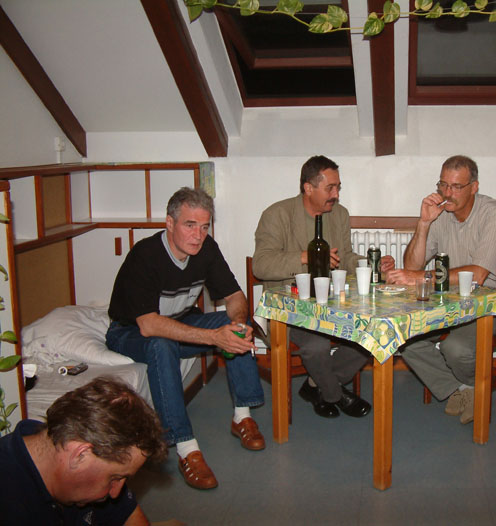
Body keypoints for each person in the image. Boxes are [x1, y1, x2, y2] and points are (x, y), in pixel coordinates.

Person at [106, 187, 265, 490]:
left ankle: (241, 416)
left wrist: (236, 324)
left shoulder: (206, 249)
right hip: (129, 331)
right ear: (169, 223)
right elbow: (149, 325)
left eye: (204, 227)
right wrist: (213, 337)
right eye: (190, 225)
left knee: (235, 324)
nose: (198, 235)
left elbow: (234, 295)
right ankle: (185, 447)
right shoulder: (145, 256)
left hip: (181, 320)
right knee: (161, 343)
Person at [253, 155, 394, 418]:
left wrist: (373, 265)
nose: (336, 194)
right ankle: (335, 395)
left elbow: (345, 257)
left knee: (371, 335)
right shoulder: (277, 215)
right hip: (289, 308)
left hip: (332, 305)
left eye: (338, 187)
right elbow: (260, 265)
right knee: (316, 345)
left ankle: (314, 384)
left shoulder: (339, 214)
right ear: (308, 188)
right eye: (330, 188)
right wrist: (307, 257)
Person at [385, 155, 496, 425]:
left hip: (495, 301)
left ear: (474, 187)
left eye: (456, 186)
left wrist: (419, 276)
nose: (447, 193)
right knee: (403, 337)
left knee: (456, 348)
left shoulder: (493, 214)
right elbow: (412, 265)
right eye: (443, 185)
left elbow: (478, 275)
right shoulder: (440, 214)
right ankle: (461, 389)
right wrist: (423, 223)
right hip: (450, 300)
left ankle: (473, 389)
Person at [0, 376, 167, 526]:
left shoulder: (94, 475)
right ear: (80, 455)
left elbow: (129, 517)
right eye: (115, 478)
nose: (116, 493)